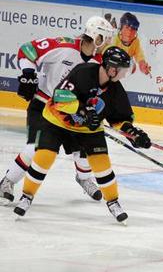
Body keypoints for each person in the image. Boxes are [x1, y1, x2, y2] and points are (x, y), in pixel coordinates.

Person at [14, 47, 151, 224]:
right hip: (56, 121)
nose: (123, 75)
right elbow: (59, 97)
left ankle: (113, 202)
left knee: (102, 164)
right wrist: (83, 111)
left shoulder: (116, 90)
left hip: (88, 130)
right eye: (122, 70)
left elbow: (119, 120)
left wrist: (132, 133)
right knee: (44, 157)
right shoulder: (83, 72)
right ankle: (27, 196)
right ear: (111, 68)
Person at [0, 16, 115, 205]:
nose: (108, 43)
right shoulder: (64, 46)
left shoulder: (99, 63)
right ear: (96, 37)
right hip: (44, 107)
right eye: (106, 38)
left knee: (85, 146)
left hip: (69, 110)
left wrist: (91, 113)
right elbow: (27, 50)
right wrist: (28, 73)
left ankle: (84, 178)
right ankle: (7, 181)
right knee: (35, 147)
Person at [111, 12, 151, 76]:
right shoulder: (114, 39)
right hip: (111, 68)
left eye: (133, 29)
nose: (129, 32)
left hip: (123, 71)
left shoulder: (135, 42)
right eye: (127, 27)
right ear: (121, 27)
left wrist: (142, 65)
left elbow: (139, 55)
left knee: (132, 67)